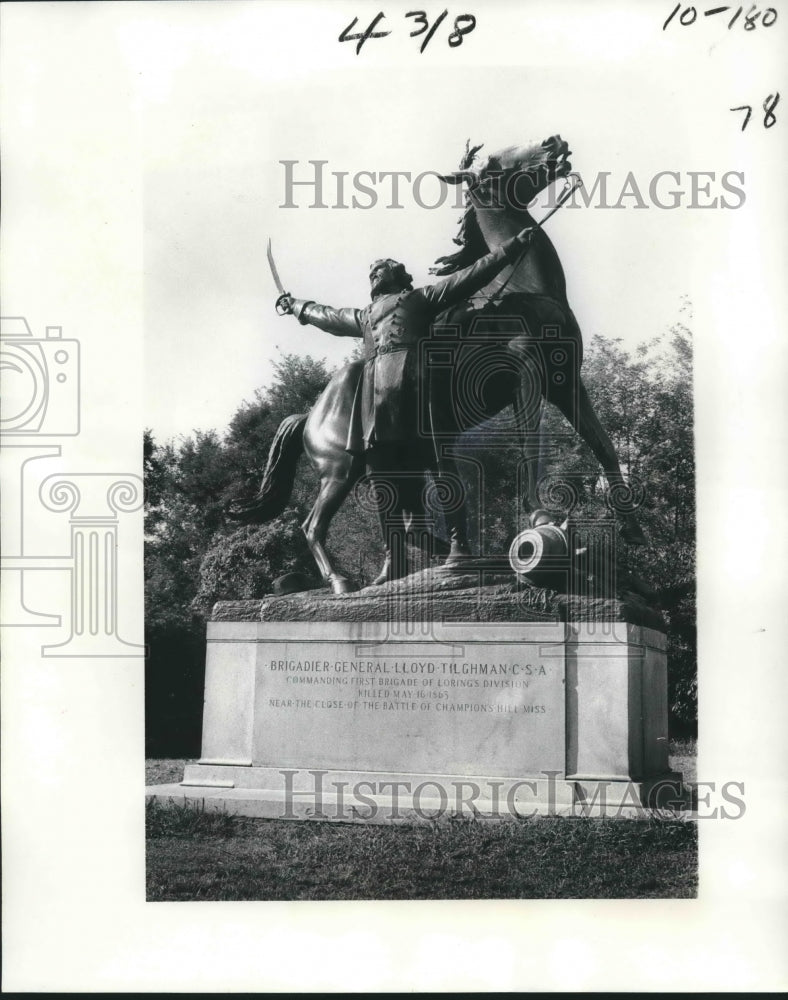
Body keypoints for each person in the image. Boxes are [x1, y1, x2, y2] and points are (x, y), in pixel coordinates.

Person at [279, 226, 535, 584]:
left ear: (399, 277)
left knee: (441, 463)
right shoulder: (366, 316)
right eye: (372, 270)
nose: (374, 271)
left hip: (419, 388)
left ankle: (459, 547)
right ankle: (394, 558)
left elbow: (472, 275)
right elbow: (331, 318)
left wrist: (512, 245)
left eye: (381, 268)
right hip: (376, 403)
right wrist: (298, 307)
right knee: (382, 476)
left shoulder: (421, 298)